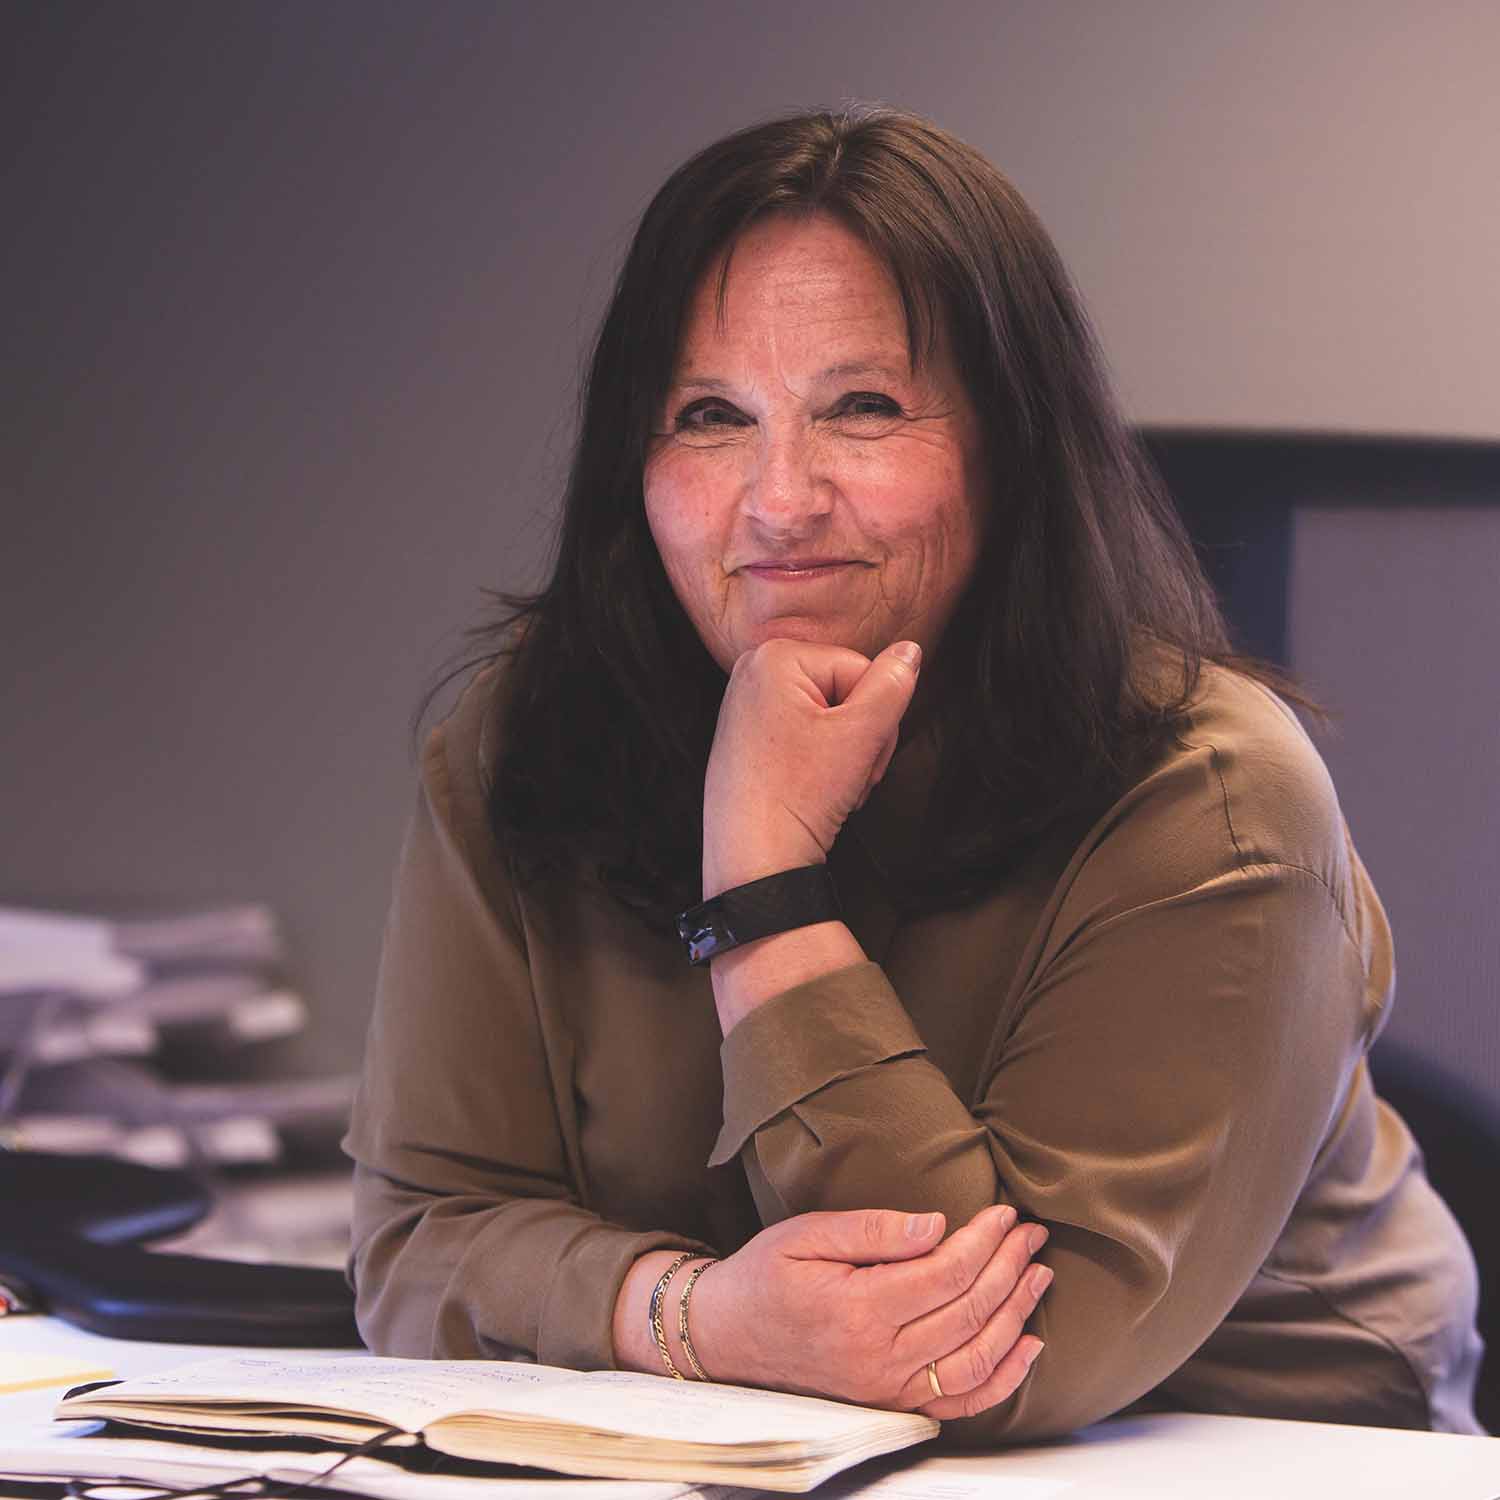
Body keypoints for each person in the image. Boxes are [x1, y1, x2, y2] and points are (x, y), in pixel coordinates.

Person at [344, 105, 1484, 1440]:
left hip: (1257, 1455)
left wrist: (764, 874)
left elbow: (1003, 1360)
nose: (778, 498)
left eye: (863, 407)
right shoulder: (518, 744)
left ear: (1012, 446)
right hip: (752, 1450)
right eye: (710, 415)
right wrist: (692, 1316)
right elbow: (417, 1243)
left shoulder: (1216, 799)